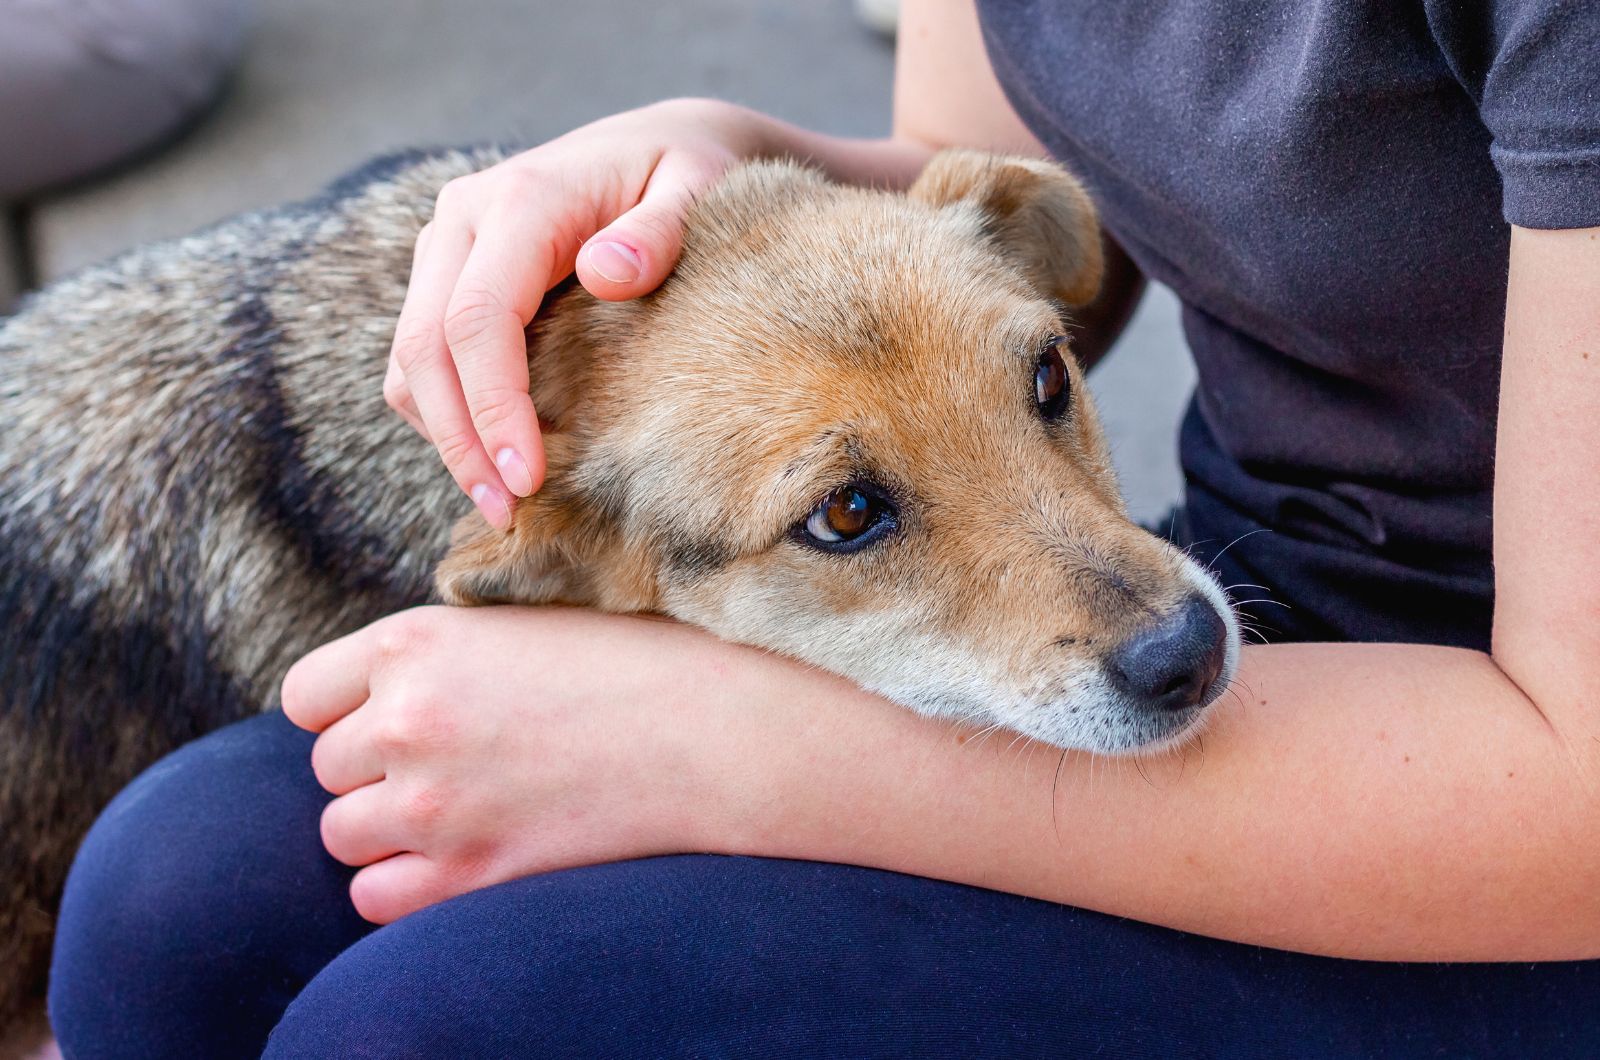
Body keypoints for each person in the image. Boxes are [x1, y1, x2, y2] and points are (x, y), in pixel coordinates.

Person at [48, 1, 1600, 1056]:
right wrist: (718, 150)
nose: (1148, 613)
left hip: (1524, 816)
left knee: (421, 1029)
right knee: (175, 901)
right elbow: (1024, 204)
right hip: (1303, 580)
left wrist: (719, 749)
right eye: (854, 512)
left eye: (1040, 385)